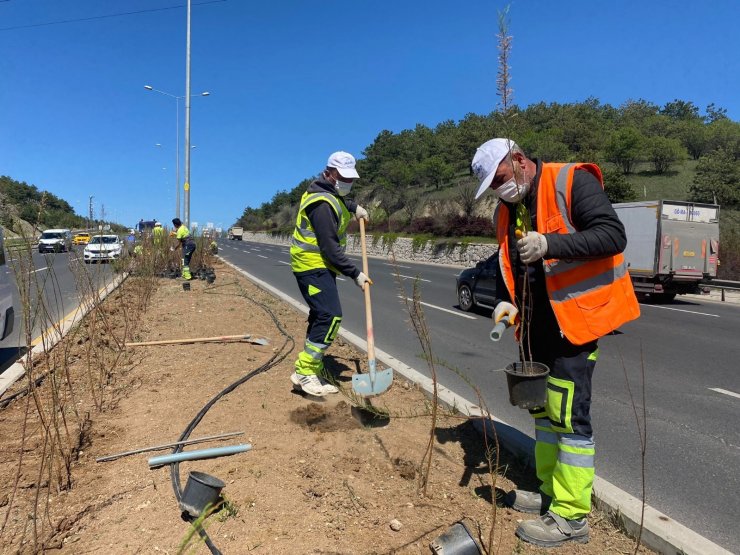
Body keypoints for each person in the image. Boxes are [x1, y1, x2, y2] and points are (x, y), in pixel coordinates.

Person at [471, 138, 640, 548]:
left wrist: (550, 244)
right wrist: (503, 303)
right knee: (544, 415)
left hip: (574, 324)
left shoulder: (572, 182)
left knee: (569, 418)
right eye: (493, 186)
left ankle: (571, 515)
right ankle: (550, 493)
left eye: (502, 179)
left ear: (520, 161)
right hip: (534, 329)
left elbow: (612, 236)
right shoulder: (507, 210)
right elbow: (507, 262)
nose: (500, 189)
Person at [289, 151, 371, 397]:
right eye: (342, 177)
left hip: (319, 265)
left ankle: (309, 368)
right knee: (330, 315)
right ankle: (305, 370)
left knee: (319, 316)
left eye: (351, 178)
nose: (347, 182)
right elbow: (330, 248)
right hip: (312, 264)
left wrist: (355, 207)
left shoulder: (326, 192)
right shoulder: (322, 205)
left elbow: (340, 199)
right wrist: (355, 274)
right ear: (329, 173)